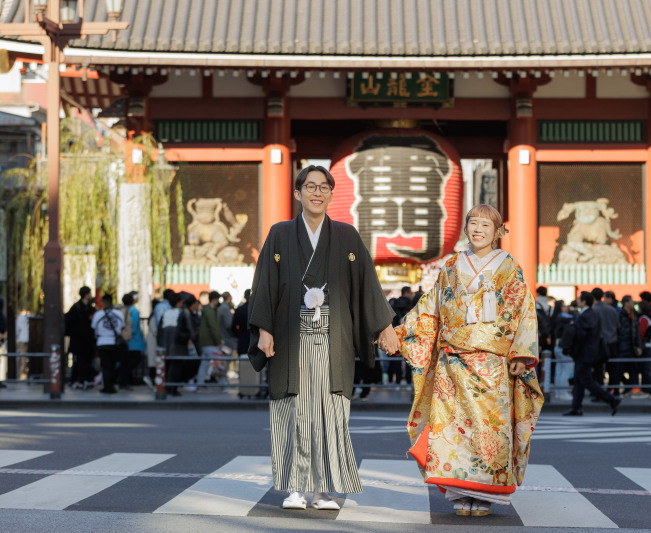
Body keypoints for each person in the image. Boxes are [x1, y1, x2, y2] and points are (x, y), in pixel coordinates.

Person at [248, 165, 397, 511]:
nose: (317, 192)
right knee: (294, 409)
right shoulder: (280, 234)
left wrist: (383, 326)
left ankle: (324, 490)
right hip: (291, 336)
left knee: (332, 412)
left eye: (324, 187)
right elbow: (265, 283)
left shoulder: (346, 235)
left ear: (331, 194)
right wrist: (264, 330)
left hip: (334, 337)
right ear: (298, 194)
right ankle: (295, 488)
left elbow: (366, 285)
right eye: (310, 187)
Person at [390, 204, 542, 517]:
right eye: (473, 223)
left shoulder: (508, 267)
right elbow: (431, 305)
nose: (478, 229)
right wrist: (399, 332)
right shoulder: (452, 265)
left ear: (498, 232)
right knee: (454, 428)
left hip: (492, 363)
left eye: (486, 225)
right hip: (453, 363)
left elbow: (523, 309)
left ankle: (484, 494)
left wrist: (520, 353)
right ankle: (460, 490)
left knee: (490, 429)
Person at [564, 291, 621, 416]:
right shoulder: (591, 313)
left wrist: (573, 326)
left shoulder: (587, 315)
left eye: (580, 299)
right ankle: (576, 407)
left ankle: (611, 399)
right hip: (588, 352)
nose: (578, 301)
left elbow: (582, 334)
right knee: (579, 381)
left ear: (584, 301)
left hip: (585, 352)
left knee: (586, 380)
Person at [90, 294, 125, 394]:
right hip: (114, 343)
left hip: (102, 342)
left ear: (103, 303)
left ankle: (106, 387)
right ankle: (112, 386)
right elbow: (122, 327)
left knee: (105, 366)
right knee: (113, 365)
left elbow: (93, 328)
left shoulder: (98, 315)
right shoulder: (119, 314)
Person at [65, 286, 96, 390]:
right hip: (78, 338)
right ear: (86, 294)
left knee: (84, 360)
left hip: (87, 338)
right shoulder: (77, 307)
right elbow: (69, 321)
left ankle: (81, 379)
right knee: (79, 360)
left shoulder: (90, 307)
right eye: (89, 293)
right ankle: (79, 380)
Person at [615, 295, 642, 397]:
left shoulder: (633, 315)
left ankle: (633, 390)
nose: (633, 304)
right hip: (622, 348)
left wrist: (638, 346)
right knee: (618, 370)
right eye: (631, 302)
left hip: (632, 348)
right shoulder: (620, 315)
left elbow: (636, 332)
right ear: (626, 303)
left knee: (633, 370)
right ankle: (617, 390)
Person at [196, 291, 223, 385]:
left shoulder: (205, 310)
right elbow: (213, 328)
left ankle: (200, 383)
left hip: (203, 341)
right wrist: (218, 341)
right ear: (214, 300)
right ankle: (223, 384)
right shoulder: (211, 311)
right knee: (218, 362)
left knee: (204, 364)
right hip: (210, 342)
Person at [120, 292, 145, 390]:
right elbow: (133, 327)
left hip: (126, 340)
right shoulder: (134, 311)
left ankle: (126, 379)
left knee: (127, 362)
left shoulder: (123, 310)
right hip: (134, 341)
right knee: (132, 361)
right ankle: (125, 378)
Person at [552, 300, 575, 401]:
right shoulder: (567, 319)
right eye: (564, 306)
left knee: (560, 370)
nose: (567, 307)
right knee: (565, 370)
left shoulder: (556, 318)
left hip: (557, 347)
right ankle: (563, 393)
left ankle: (559, 392)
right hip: (564, 347)